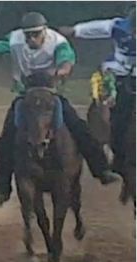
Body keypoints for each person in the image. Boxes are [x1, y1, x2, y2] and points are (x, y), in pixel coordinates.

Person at [0, 11, 119, 208]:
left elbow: (67, 60)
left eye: (35, 34)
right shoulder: (15, 40)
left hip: (51, 95)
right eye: (28, 34)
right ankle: (2, 189)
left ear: (44, 31)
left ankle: (101, 169)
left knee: (80, 128)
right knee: (6, 140)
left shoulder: (58, 42)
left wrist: (60, 71)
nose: (31, 38)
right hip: (25, 96)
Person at [57, 8, 135, 177]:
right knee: (113, 114)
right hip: (119, 75)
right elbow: (97, 28)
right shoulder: (118, 26)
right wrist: (75, 30)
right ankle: (115, 153)